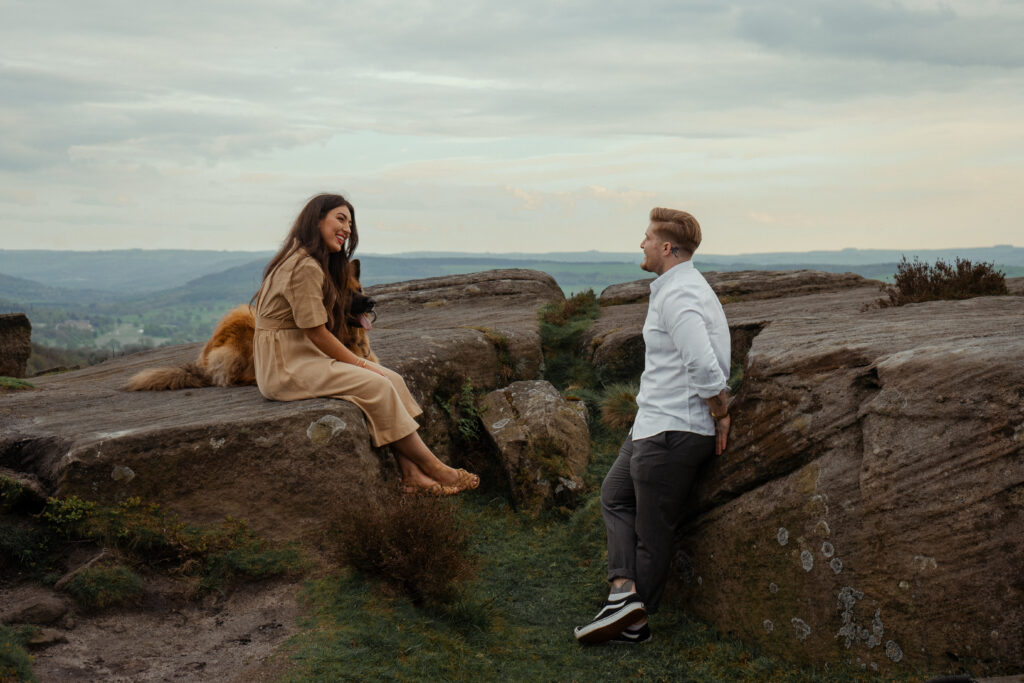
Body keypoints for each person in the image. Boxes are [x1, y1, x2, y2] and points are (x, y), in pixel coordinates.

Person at [574, 207, 731, 644]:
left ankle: (635, 623)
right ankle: (623, 593)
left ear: (666, 247)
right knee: (614, 495)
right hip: (653, 424)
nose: (639, 244)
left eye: (645, 238)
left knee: (652, 531)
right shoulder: (675, 288)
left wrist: (720, 412)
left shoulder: (680, 295)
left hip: (672, 431)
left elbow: (703, 362)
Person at [253, 193, 479, 496]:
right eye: (340, 219)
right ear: (316, 219)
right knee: (378, 384)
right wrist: (359, 363)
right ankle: (440, 470)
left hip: (302, 356)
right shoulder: (303, 266)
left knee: (392, 379)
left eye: (350, 222)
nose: (347, 229)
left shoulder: (304, 259)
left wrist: (366, 366)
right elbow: (316, 332)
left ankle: (411, 474)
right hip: (286, 365)